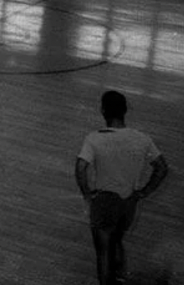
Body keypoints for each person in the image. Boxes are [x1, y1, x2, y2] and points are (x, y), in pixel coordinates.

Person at [74, 90, 170, 285]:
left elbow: (80, 167)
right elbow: (161, 168)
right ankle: (120, 278)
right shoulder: (142, 138)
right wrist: (144, 192)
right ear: (125, 111)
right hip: (129, 204)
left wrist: (87, 194)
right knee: (116, 240)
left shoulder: (94, 138)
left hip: (104, 203)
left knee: (103, 252)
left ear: (102, 111)